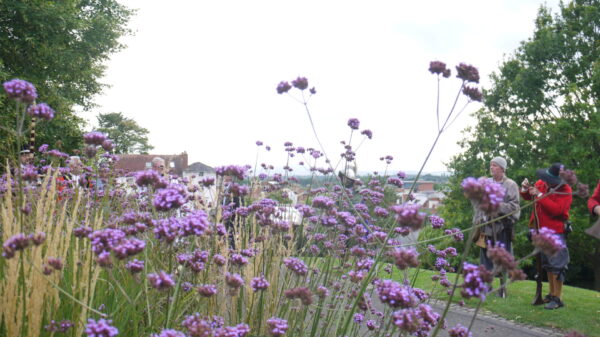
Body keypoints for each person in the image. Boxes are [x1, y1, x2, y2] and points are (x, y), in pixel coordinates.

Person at [520, 162, 572, 310]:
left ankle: (558, 297)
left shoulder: (566, 190)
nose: (546, 182)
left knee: (558, 265)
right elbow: (530, 197)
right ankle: (551, 294)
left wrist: (540, 195)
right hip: (540, 230)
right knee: (548, 264)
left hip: (556, 231)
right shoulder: (542, 183)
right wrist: (525, 189)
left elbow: (557, 210)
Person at [474, 157, 520, 298]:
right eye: (490, 165)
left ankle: (503, 288)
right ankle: (486, 287)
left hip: (503, 229)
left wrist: (497, 206)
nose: (491, 167)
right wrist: (477, 221)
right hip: (486, 227)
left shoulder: (511, 185)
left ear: (502, 168)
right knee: (485, 259)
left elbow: (515, 207)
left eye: (494, 165)